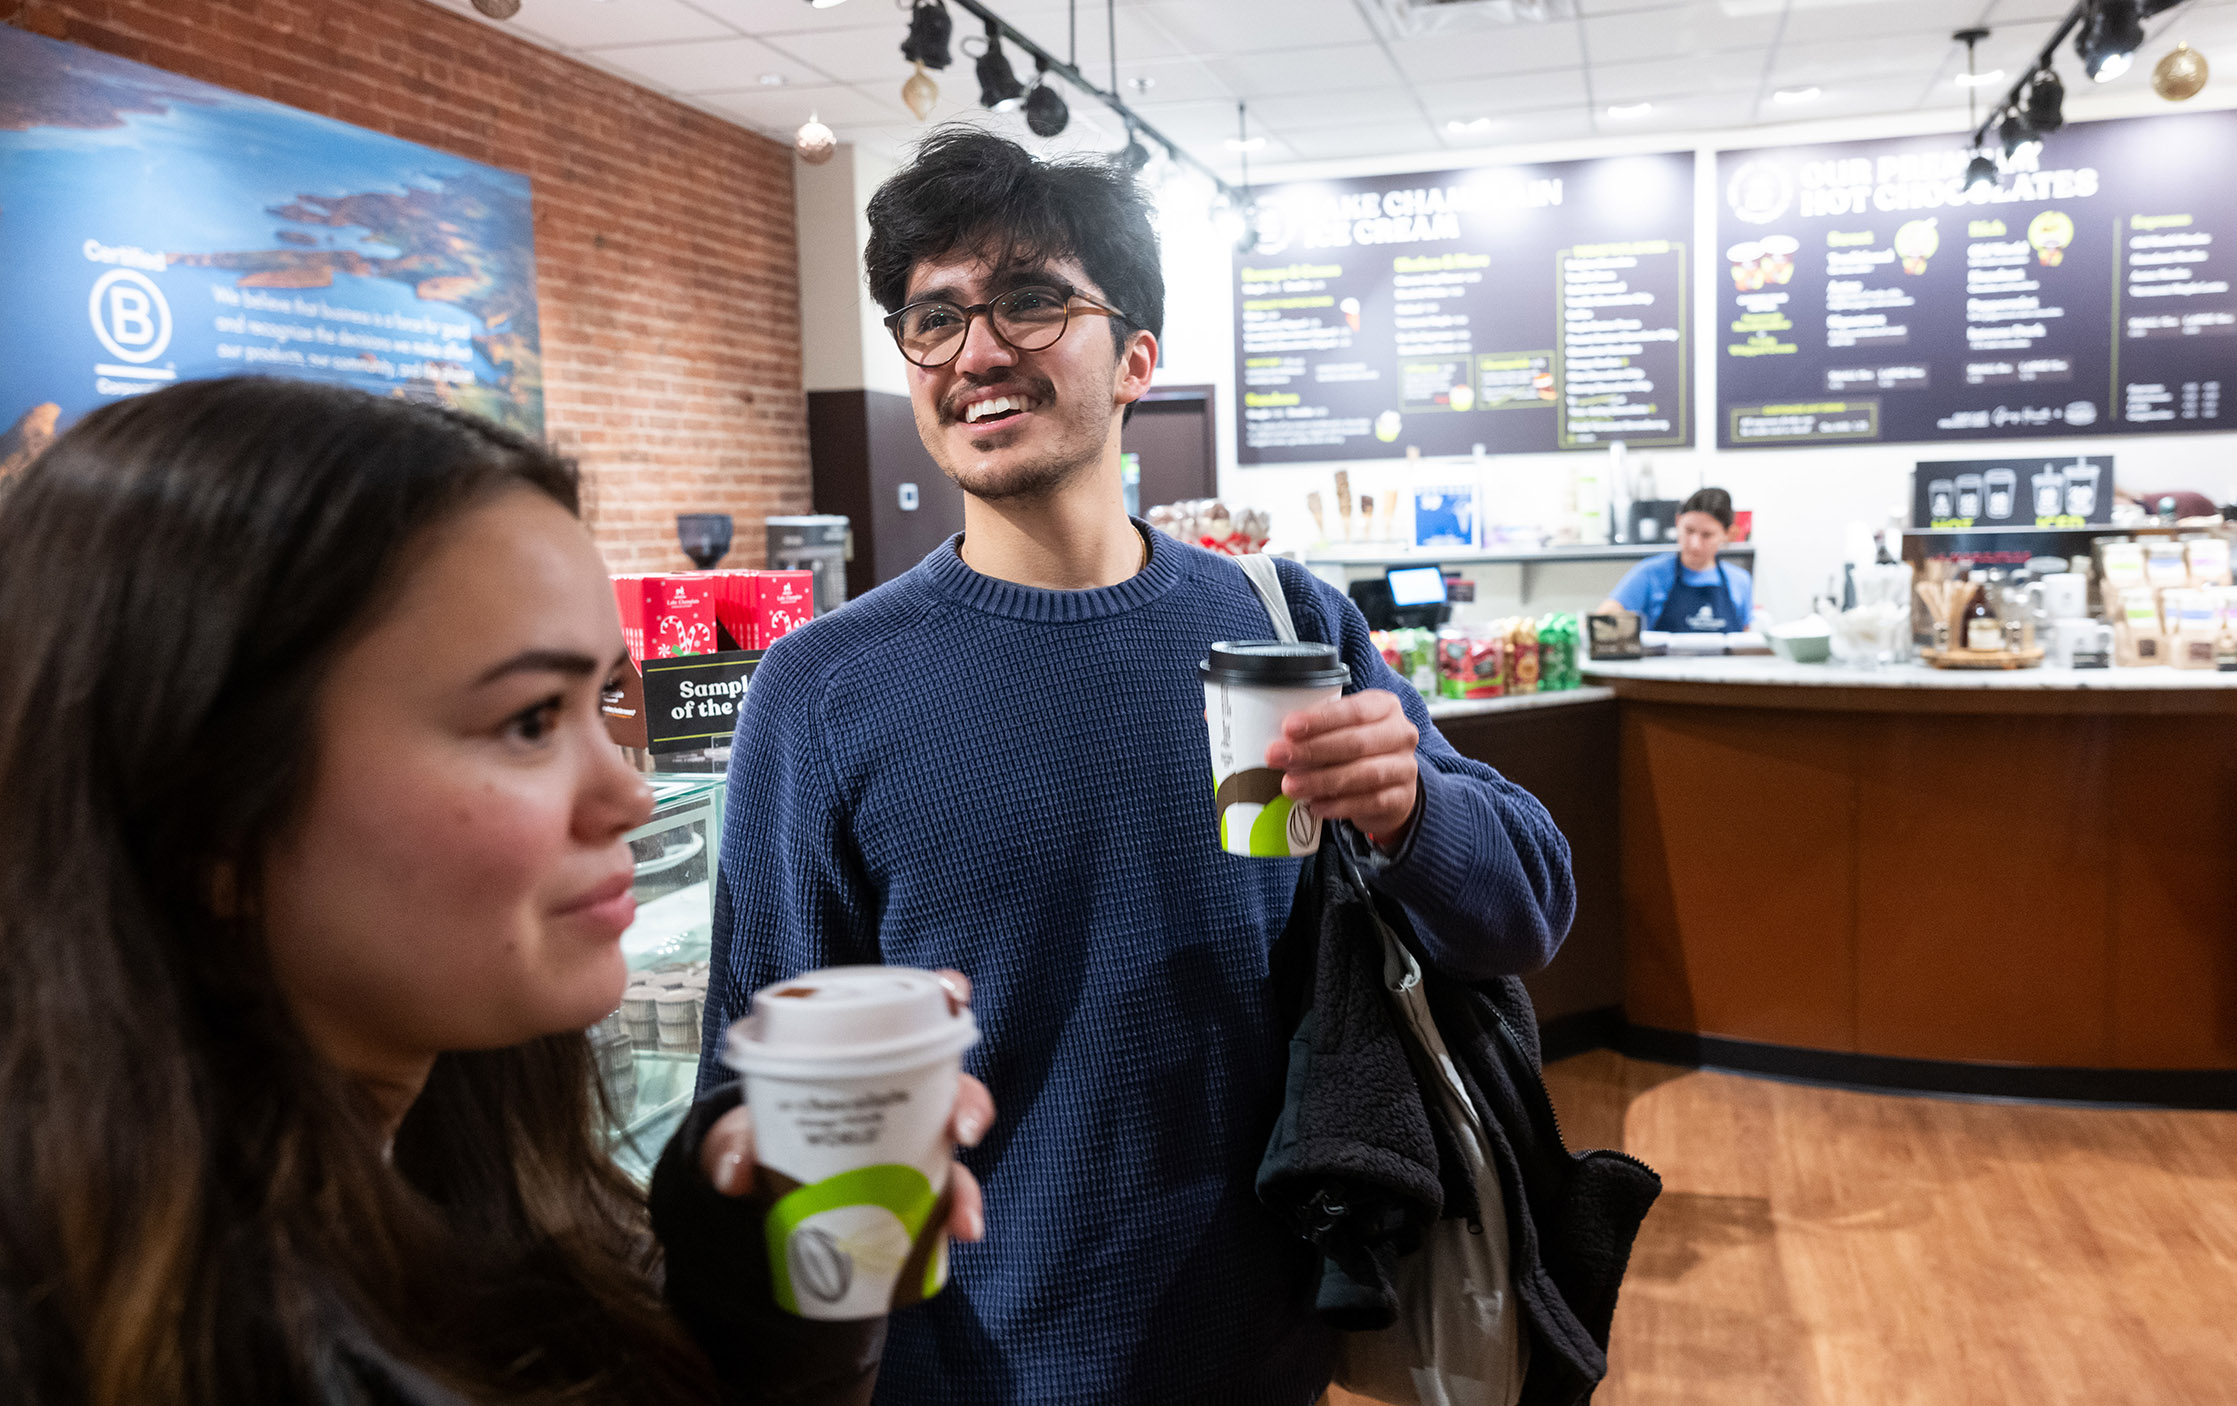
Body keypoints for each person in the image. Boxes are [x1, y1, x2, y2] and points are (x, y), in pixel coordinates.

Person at [700, 128, 1576, 1405]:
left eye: (1031, 301)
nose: (977, 351)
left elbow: (1527, 906)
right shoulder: (823, 689)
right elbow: (751, 1073)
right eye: (931, 319)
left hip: (1269, 1347)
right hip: (968, 1370)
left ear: (1137, 363)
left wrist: (1410, 805)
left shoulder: (1283, 624)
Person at [0, 377, 990, 1406]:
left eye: (604, 697)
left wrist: (756, 1299)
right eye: (527, 721)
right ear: (206, 808)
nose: (628, 794)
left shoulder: (442, 1194)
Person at [1601, 485, 1756, 633]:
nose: (1695, 544)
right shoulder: (1650, 574)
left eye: (1707, 535)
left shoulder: (1740, 581)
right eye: (1689, 531)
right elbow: (1604, 619)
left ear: (1729, 534)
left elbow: (1746, 640)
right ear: (1677, 521)